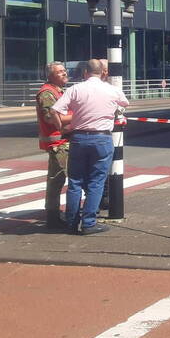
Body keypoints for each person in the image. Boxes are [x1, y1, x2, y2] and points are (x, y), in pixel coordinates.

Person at [49, 59, 129, 235]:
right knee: (96, 182)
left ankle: (71, 222)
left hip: (78, 138)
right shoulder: (111, 90)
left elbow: (54, 110)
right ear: (103, 73)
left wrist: (61, 127)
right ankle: (89, 223)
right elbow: (125, 103)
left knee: (75, 181)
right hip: (101, 139)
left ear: (85, 72)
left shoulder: (75, 89)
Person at [36, 61, 69, 230]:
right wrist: (77, 115)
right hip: (57, 143)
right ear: (50, 75)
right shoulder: (47, 93)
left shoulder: (59, 91)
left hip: (63, 141)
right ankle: (53, 217)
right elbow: (50, 117)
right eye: (60, 72)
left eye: (64, 70)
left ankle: (55, 215)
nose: (64, 74)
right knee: (57, 180)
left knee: (58, 179)